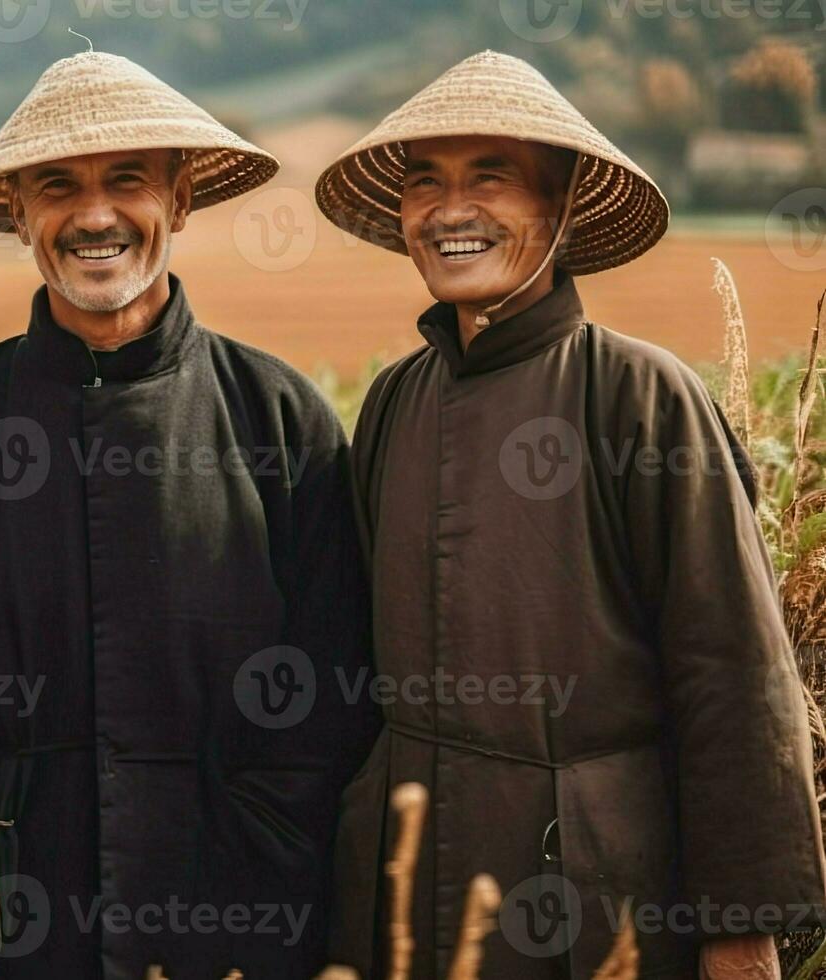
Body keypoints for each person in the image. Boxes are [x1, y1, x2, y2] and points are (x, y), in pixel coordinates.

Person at [316, 51, 826, 978]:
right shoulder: (394, 401)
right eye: (423, 181)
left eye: (491, 177)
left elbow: (734, 673)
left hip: (585, 894)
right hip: (404, 889)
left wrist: (741, 927)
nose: (448, 208)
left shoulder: (638, 395)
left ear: (558, 208)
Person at [0, 51, 378, 978]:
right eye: (56, 187)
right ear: (17, 212)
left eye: (126, 180)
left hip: (234, 914)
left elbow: (331, 697)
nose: (94, 215)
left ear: (181, 197)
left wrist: (261, 884)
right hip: (14, 915)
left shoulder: (279, 417)